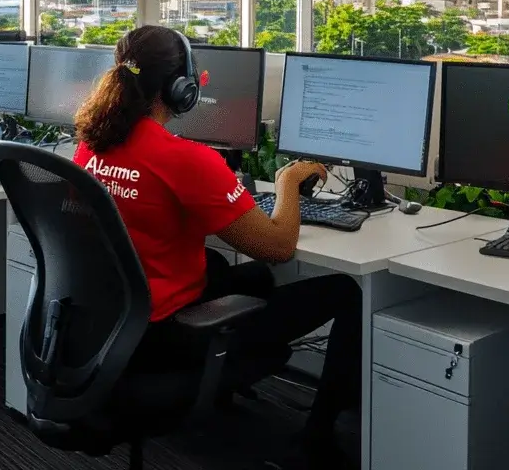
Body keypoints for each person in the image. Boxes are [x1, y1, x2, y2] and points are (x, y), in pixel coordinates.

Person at [73, 25, 363, 468]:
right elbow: (278, 245)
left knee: (243, 273)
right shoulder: (186, 159)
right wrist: (287, 183)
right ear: (182, 88)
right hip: (167, 336)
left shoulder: (92, 145)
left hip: (111, 326)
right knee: (345, 291)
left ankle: (220, 397)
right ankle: (317, 438)